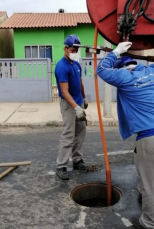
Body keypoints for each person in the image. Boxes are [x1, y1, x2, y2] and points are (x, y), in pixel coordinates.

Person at [96, 16, 154, 229]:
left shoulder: (126, 79)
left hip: (151, 138)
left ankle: (150, 223)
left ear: (124, 68)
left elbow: (102, 70)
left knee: (152, 186)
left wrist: (116, 51)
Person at [55, 34, 88, 180]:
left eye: (77, 50)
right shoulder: (61, 66)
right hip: (69, 105)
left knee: (80, 131)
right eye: (73, 50)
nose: (75, 52)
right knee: (69, 134)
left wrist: (84, 98)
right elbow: (64, 91)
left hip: (78, 102)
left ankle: (77, 160)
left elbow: (80, 83)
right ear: (66, 49)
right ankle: (61, 166)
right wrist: (76, 107)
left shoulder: (77, 64)